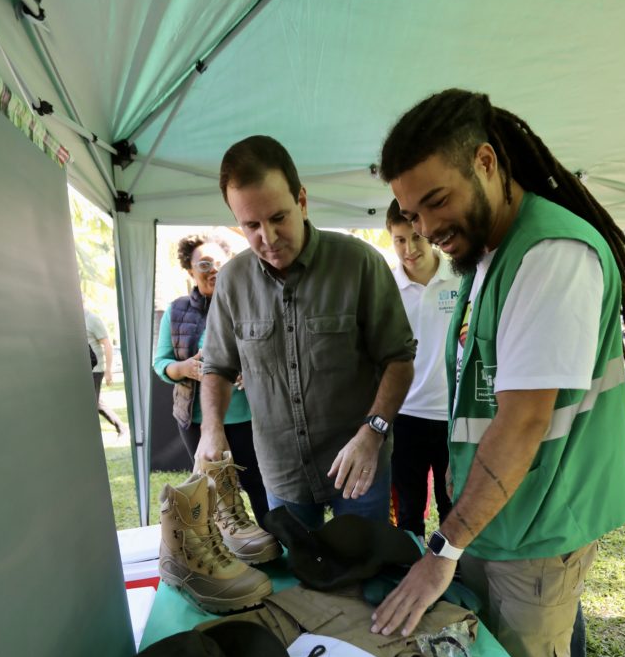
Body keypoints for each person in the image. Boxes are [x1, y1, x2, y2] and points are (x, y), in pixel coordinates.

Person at [373, 89, 625, 657]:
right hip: (501, 518)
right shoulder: (490, 251)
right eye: (411, 211)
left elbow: (521, 423)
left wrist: (443, 548)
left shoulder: (549, 255)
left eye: (436, 200)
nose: (427, 226)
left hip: (542, 525)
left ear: (487, 163)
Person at [195, 135, 416, 529]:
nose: (268, 237)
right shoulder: (232, 281)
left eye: (278, 217)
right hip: (282, 473)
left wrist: (374, 431)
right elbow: (217, 366)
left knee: (364, 579)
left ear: (301, 200)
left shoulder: (359, 264)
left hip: (360, 469)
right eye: (251, 226)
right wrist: (211, 430)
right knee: (297, 586)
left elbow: (398, 358)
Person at [153, 234, 270, 526]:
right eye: (204, 263)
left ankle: (275, 541)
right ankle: (226, 550)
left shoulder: (250, 304)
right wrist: (186, 368)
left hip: (247, 416)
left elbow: (270, 354)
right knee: (215, 490)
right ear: (190, 270)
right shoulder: (177, 311)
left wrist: (249, 369)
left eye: (220, 263)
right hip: (197, 420)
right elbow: (161, 363)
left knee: (259, 485)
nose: (213, 269)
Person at [386, 199, 460, 539]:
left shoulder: (462, 276)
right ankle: (409, 570)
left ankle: (453, 577)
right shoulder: (385, 287)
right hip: (405, 415)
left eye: (415, 237)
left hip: (453, 415)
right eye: (400, 239)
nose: (409, 248)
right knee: (408, 510)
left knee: (453, 506)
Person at [84, 307, 126, 438]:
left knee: (90, 405)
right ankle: (122, 428)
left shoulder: (92, 319)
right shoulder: (72, 320)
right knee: (97, 403)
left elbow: (107, 344)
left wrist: (108, 370)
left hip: (95, 370)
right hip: (83, 371)